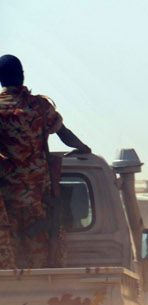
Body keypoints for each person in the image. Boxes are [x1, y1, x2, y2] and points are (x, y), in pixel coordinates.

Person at [0, 55, 90, 269]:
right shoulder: (40, 106)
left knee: (8, 267)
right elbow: (64, 134)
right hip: (38, 201)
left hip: (6, 203)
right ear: (22, 76)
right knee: (42, 265)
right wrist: (83, 148)